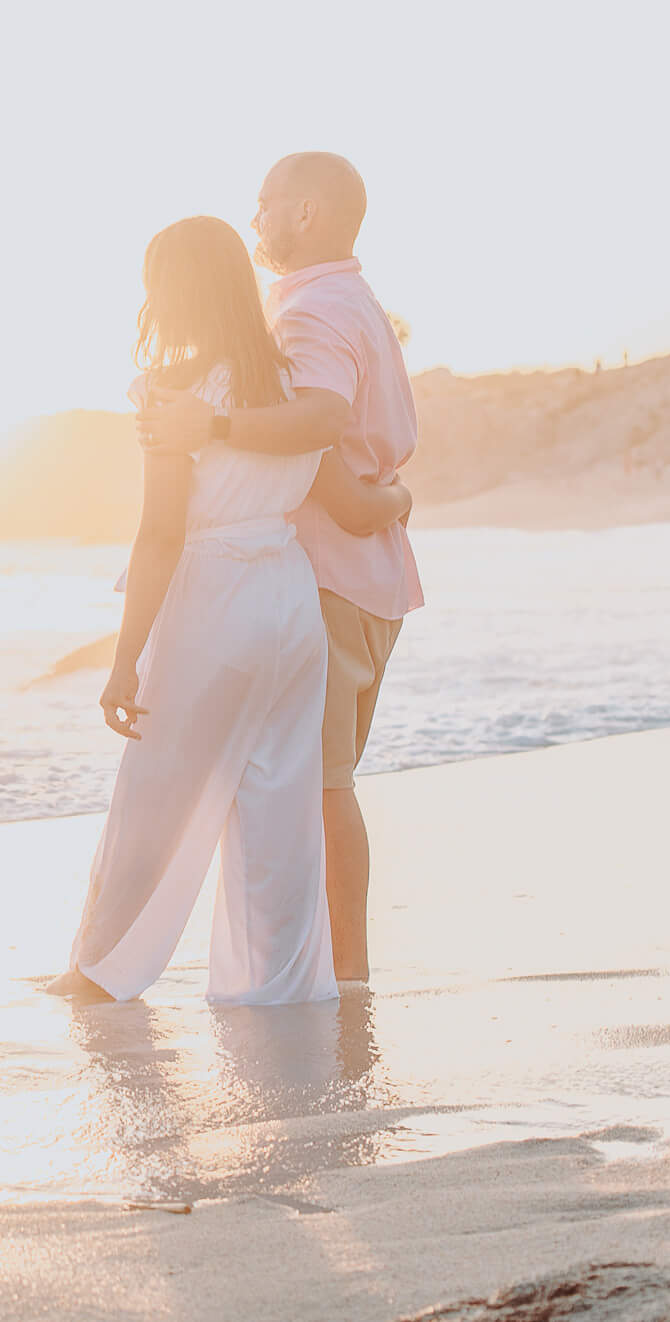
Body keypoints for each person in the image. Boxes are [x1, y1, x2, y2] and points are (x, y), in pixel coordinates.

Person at [46, 217, 410, 1006]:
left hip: (213, 599)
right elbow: (336, 489)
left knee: (154, 795)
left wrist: (123, 659)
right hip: (288, 601)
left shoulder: (172, 394)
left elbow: (162, 534)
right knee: (277, 804)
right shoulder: (294, 387)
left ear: (170, 292)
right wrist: (399, 497)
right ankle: (277, 987)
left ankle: (98, 970)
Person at [138, 153, 423, 983]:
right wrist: (390, 503)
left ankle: (346, 980)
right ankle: (335, 971)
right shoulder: (354, 300)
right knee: (326, 785)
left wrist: (213, 428)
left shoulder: (310, 312)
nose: (255, 220)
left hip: (330, 577)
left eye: (264, 205)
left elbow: (323, 422)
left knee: (322, 790)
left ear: (305, 212)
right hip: (371, 574)